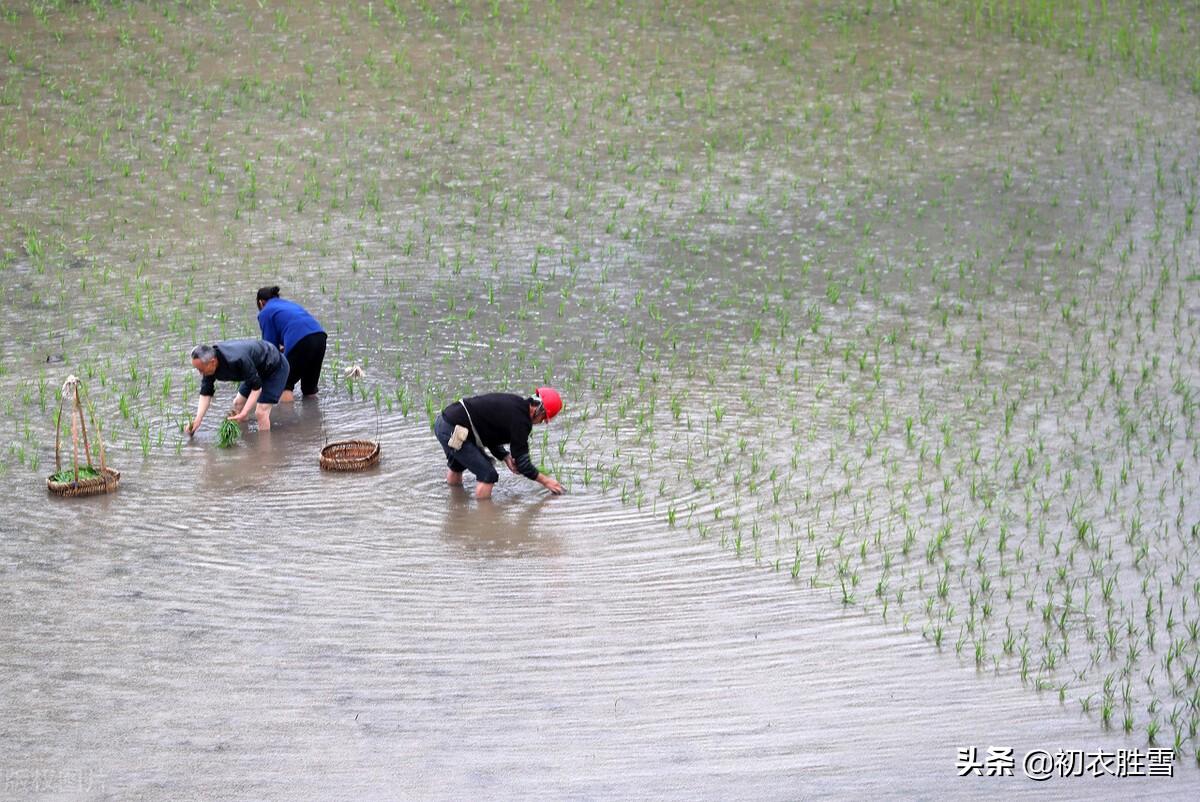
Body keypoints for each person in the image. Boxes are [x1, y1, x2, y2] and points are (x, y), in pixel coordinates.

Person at [434, 388, 565, 499]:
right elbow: (523, 464)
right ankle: (484, 520)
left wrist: (505, 456)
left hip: (445, 423)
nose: (541, 422)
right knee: (488, 474)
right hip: (454, 429)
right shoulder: (521, 421)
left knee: (458, 465)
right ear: (539, 410)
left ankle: (456, 504)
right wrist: (547, 482)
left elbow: (489, 432)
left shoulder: (516, 404)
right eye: (543, 419)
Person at [185, 340, 289, 434]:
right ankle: (244, 436)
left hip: (275, 367)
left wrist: (244, 413)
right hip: (255, 369)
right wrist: (198, 419)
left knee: (261, 412)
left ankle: (264, 450)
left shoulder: (237, 359)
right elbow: (205, 393)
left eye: (201, 369)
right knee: (238, 404)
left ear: (212, 362)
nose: (200, 373)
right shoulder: (208, 368)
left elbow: (256, 388)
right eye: (198, 369)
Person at [256, 286, 327, 403]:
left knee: (284, 383)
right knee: (309, 389)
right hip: (320, 337)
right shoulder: (287, 304)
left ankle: (288, 419)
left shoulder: (265, 312)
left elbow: (270, 349)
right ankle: (314, 416)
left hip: (301, 341)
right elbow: (295, 326)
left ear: (261, 302)